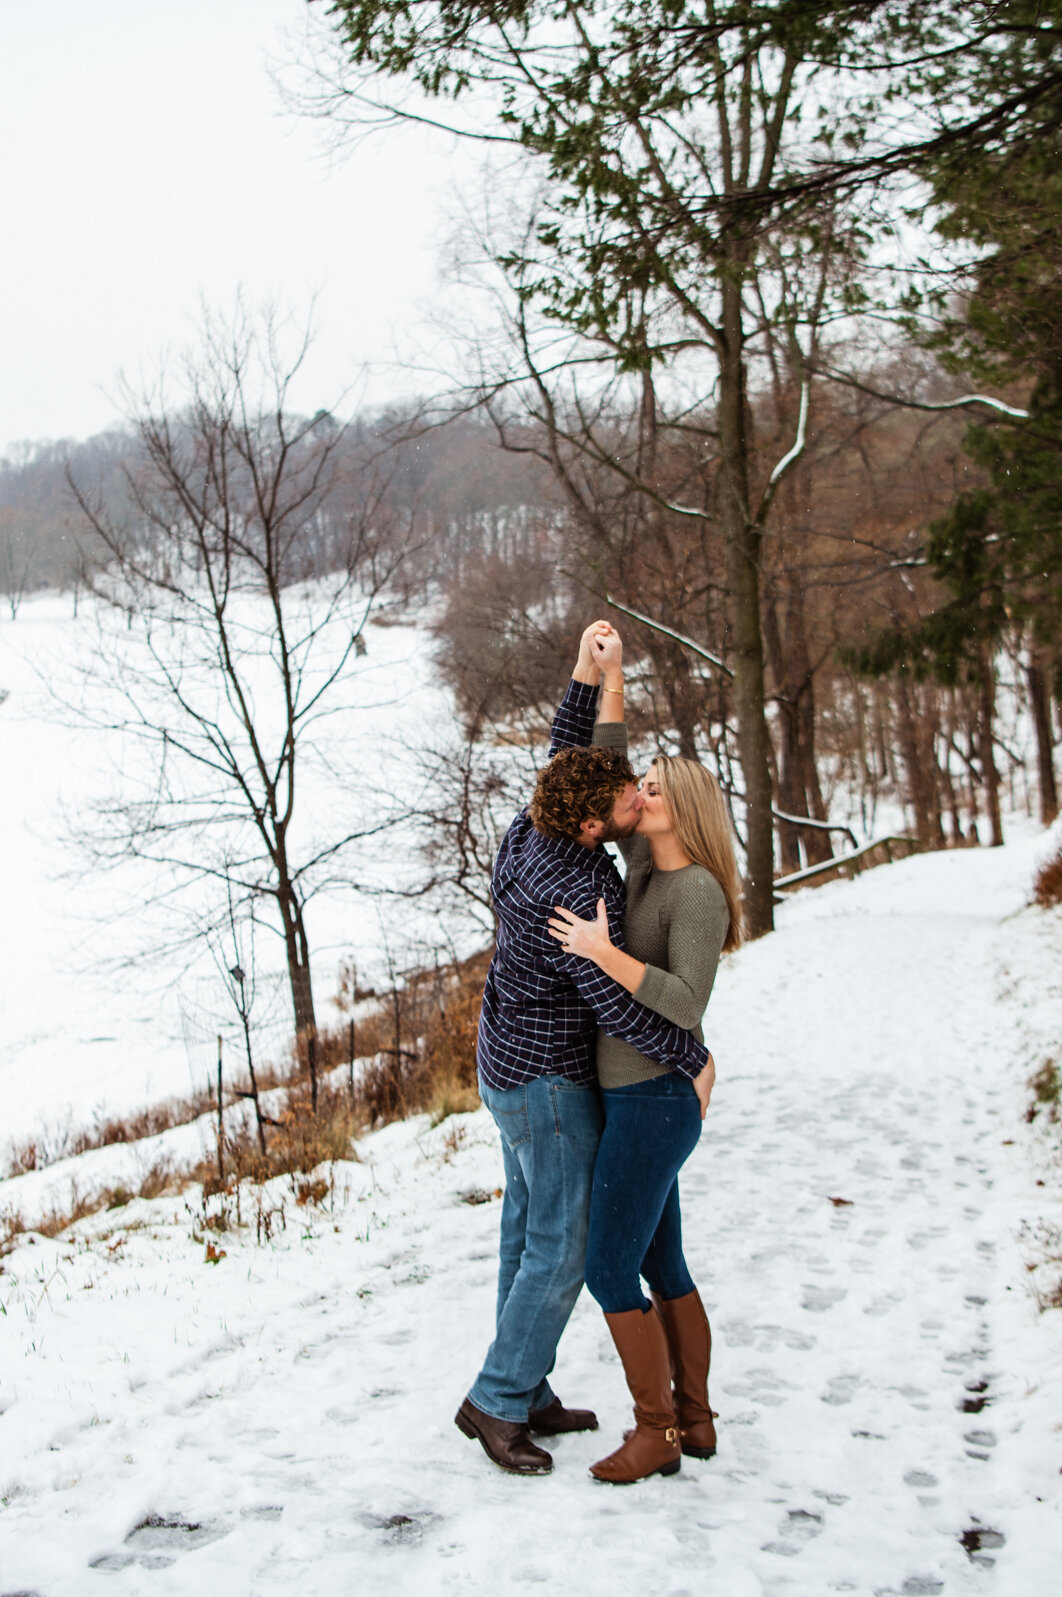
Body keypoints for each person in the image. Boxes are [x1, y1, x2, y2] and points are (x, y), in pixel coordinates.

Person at [455, 622, 717, 1477]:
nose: (634, 806)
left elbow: (573, 761)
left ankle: (523, 1386)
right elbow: (620, 1002)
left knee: (525, 1230)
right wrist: (686, 1053)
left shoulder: (536, 829)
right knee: (564, 1244)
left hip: (505, 1062)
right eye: (625, 806)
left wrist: (589, 677)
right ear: (590, 825)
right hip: (550, 1082)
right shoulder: (579, 887)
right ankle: (498, 1401)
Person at [548, 668, 739, 1484]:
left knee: (608, 1268)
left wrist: (604, 954)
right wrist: (612, 679)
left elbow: (687, 1002)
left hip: (655, 1099)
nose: (638, 791)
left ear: (682, 808)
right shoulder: (645, 865)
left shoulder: (696, 892)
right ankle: (693, 1421)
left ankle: (656, 1429)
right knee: (664, 1267)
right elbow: (605, 759)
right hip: (641, 1097)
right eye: (641, 785)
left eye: (653, 789)